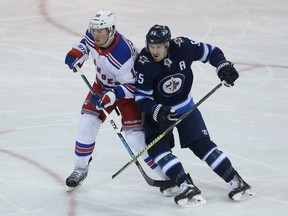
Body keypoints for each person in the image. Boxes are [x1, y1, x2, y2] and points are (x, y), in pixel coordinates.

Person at [134, 24, 255, 206]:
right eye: (151, 46)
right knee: (157, 149)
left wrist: (222, 65)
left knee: (202, 145)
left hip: (185, 107)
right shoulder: (144, 62)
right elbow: (141, 98)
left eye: (158, 46)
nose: (154, 50)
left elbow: (212, 52)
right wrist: (156, 110)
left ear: (167, 44)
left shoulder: (183, 47)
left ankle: (237, 182)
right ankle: (186, 186)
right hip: (159, 113)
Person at [64, 10, 167, 190]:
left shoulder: (123, 55)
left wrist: (112, 96)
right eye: (94, 30)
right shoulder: (92, 34)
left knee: (136, 139)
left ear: (111, 30)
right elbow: (85, 44)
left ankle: (167, 176)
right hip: (101, 87)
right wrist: (77, 53)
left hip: (127, 94)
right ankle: (80, 169)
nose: (96, 34)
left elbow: (134, 86)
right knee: (86, 125)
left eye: (101, 31)